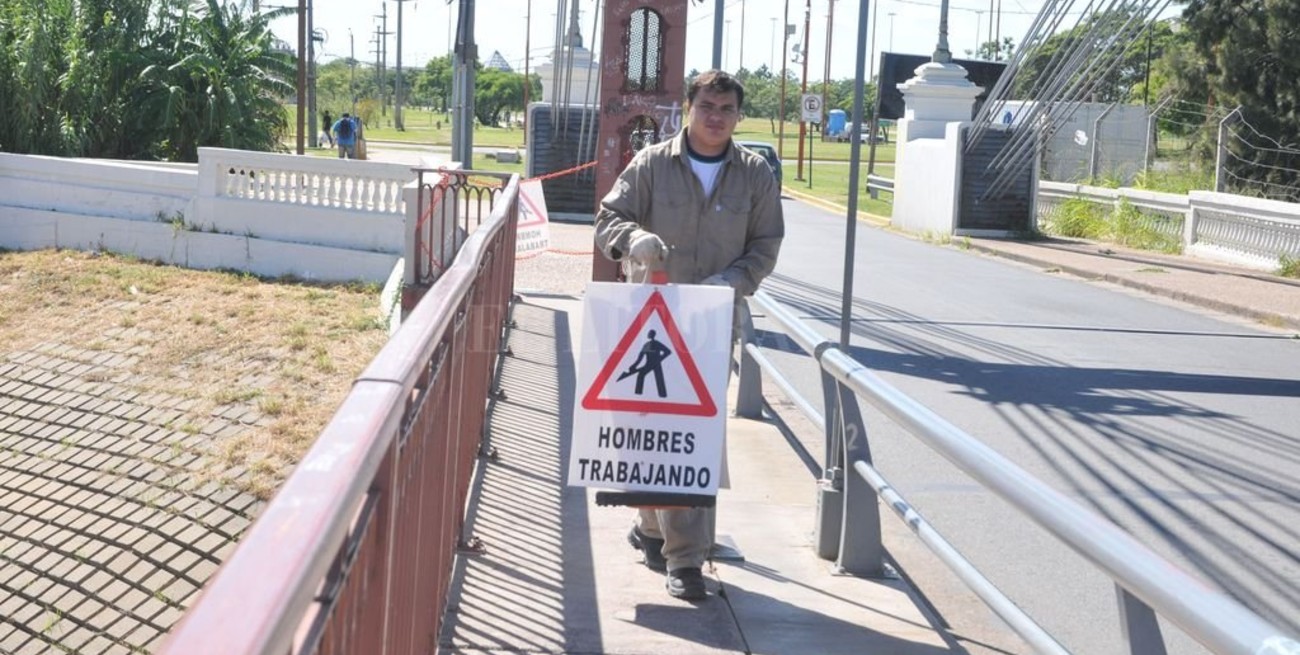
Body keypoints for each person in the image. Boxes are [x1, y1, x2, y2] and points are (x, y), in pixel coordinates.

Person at [593, 70, 785, 601]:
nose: (716, 116)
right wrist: (635, 238)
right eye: (707, 106)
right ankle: (654, 526)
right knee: (648, 430)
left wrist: (733, 282)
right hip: (648, 320)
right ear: (688, 108)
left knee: (692, 436)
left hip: (707, 325)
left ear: (738, 116)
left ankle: (686, 559)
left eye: (726, 108)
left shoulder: (754, 176)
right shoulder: (652, 164)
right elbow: (608, 217)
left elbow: (765, 245)